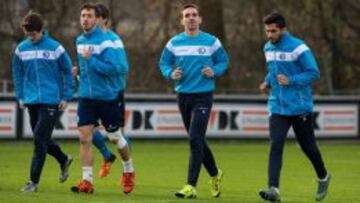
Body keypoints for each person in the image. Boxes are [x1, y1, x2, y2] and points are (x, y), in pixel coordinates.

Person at [258, 12, 330, 202]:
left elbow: (313, 72)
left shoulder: (298, 48)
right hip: (277, 107)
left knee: (308, 148)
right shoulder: (267, 47)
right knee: (276, 146)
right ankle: (274, 189)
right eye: (267, 31)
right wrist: (267, 81)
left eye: (273, 31)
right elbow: (274, 70)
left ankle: (323, 176)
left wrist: (291, 80)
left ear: (283, 29)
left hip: (299, 107)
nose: (269, 35)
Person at [159, 3, 229, 199]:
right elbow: (163, 63)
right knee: (197, 140)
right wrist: (170, 73)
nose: (191, 18)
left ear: (200, 19)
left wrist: (214, 71)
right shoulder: (174, 43)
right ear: (182, 20)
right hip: (183, 96)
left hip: (203, 96)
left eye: (194, 15)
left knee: (194, 139)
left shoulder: (211, 41)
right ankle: (215, 174)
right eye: (187, 15)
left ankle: (190, 186)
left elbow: (224, 61)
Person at [71, 3, 134, 194]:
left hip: (107, 97)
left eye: (89, 15)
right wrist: (79, 73)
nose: (85, 19)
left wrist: (92, 61)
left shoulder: (109, 40)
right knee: (84, 138)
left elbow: (118, 68)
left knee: (116, 137)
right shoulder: (79, 40)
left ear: (97, 19)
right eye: (82, 15)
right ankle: (87, 181)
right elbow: (87, 70)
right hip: (86, 97)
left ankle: (129, 169)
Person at [12, 11, 75, 192]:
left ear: (41, 31)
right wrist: (20, 96)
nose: (30, 38)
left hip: (51, 100)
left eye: (33, 34)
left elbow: (67, 71)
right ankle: (63, 159)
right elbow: (18, 74)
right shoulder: (21, 49)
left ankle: (33, 182)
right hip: (30, 100)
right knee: (43, 138)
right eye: (27, 35)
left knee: (39, 138)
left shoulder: (55, 48)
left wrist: (66, 96)